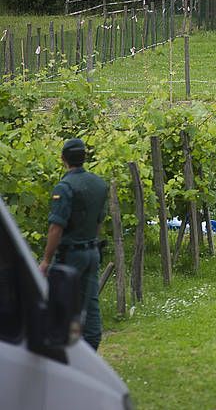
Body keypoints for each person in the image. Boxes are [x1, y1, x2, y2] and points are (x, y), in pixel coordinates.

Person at [39, 138, 108, 350]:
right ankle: (92, 344)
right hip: (92, 251)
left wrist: (46, 260)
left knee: (62, 303)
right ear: (84, 157)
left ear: (63, 159)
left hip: (71, 255)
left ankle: (63, 350)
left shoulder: (65, 186)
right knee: (90, 303)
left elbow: (56, 228)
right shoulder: (99, 184)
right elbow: (99, 221)